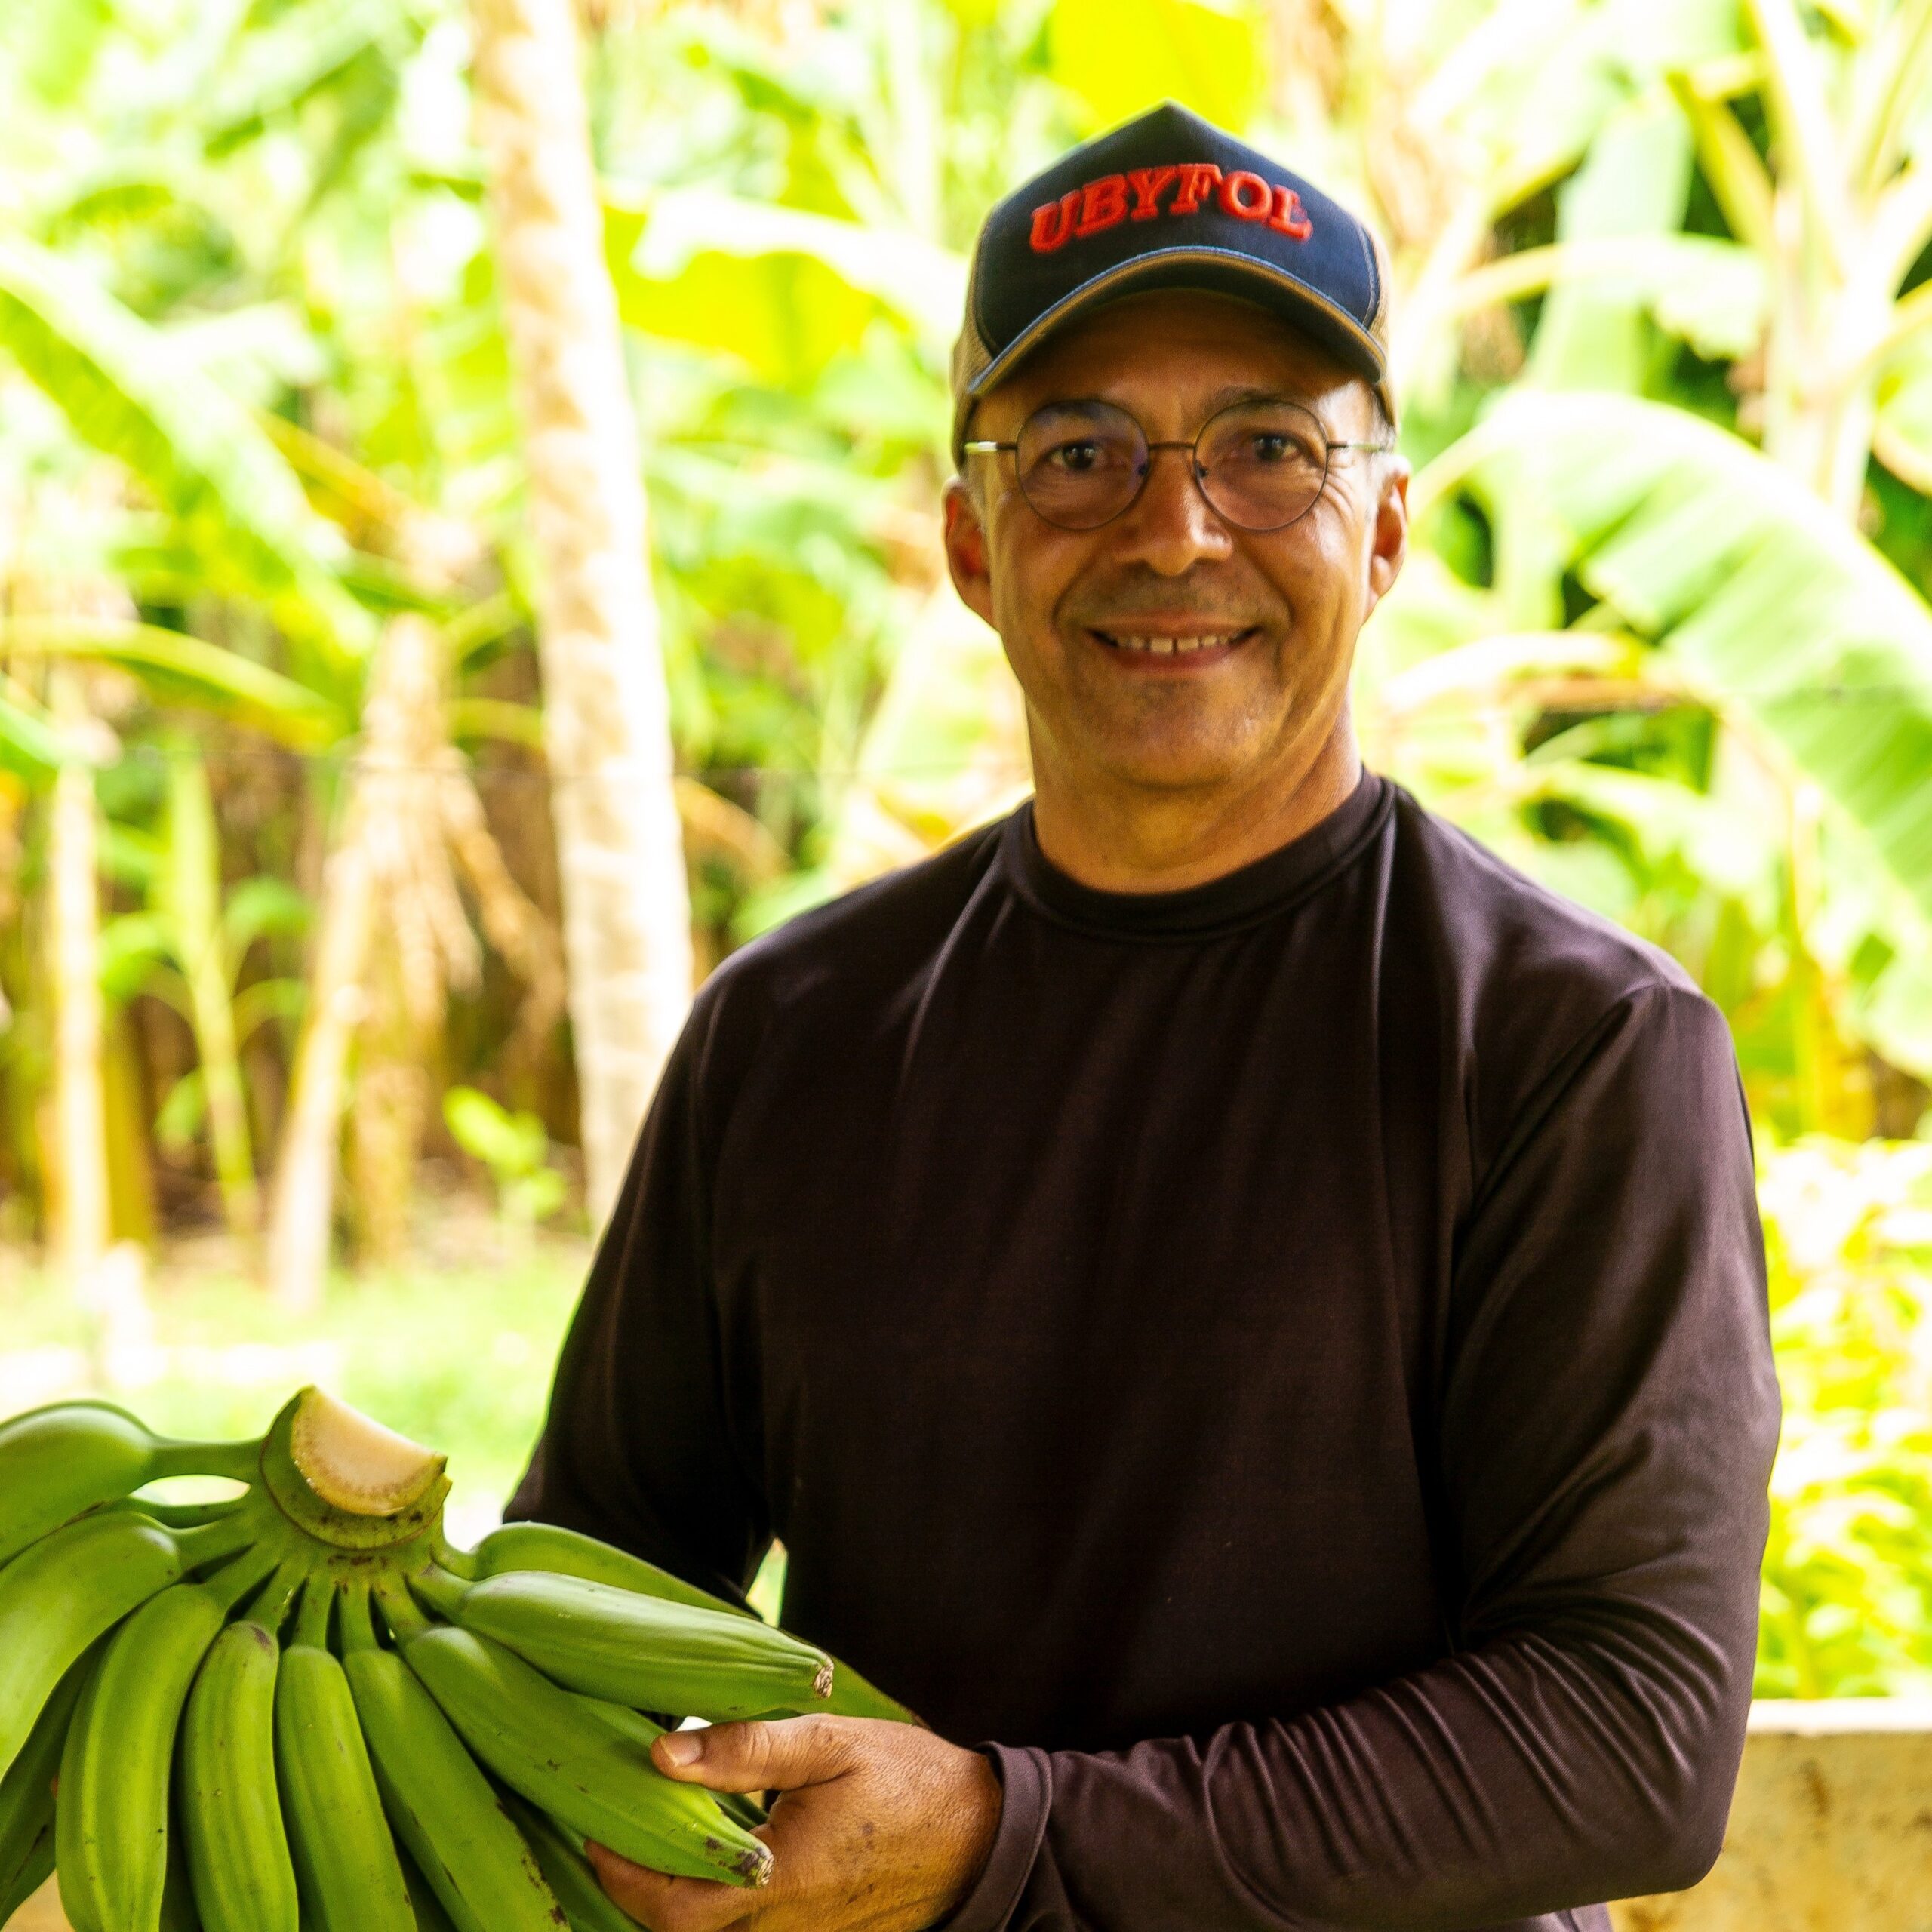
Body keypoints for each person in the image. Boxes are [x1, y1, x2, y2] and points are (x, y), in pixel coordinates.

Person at [508, 101, 1781, 1932]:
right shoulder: (786, 1039)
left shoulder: (1576, 1050)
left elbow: (1630, 1739)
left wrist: (993, 1833)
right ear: (968, 539)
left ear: (1386, 528)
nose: (1174, 530)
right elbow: (594, 1597)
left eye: (1268, 448)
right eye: (1079, 451)